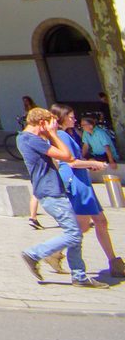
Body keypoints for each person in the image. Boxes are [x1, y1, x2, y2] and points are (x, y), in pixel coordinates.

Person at [19, 106, 105, 288]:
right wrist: (54, 134)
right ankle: (34, 253)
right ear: (41, 123)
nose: (53, 127)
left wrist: (49, 133)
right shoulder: (32, 140)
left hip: (51, 190)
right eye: (49, 124)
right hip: (51, 192)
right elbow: (67, 156)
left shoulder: (25, 138)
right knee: (74, 234)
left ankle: (79, 276)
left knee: (74, 233)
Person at [52, 104, 124, 278]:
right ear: (61, 117)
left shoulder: (67, 134)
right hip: (76, 183)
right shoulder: (61, 136)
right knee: (83, 226)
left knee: (99, 221)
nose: (74, 119)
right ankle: (52, 252)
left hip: (81, 180)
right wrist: (94, 163)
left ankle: (114, 262)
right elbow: (71, 162)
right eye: (71, 116)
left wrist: (88, 165)